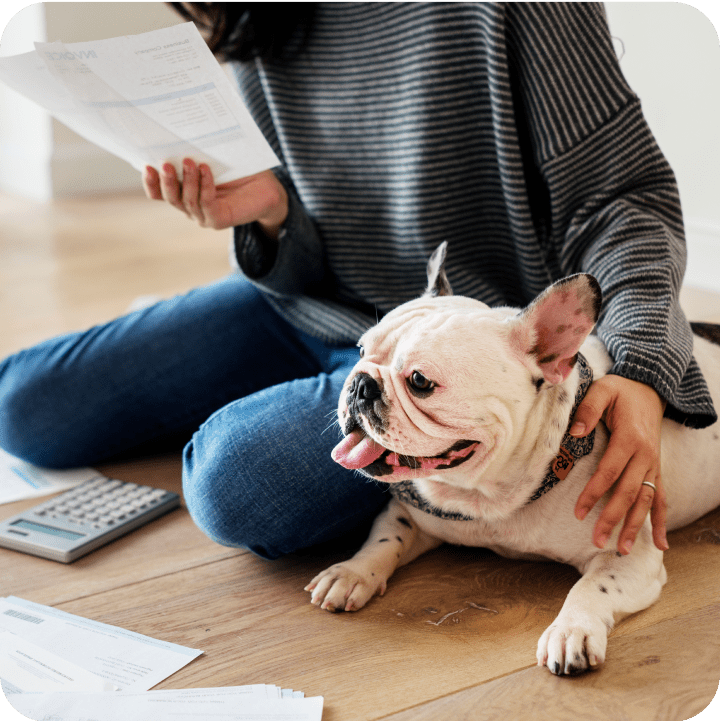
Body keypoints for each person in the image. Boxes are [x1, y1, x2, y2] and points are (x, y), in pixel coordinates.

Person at [0, 2, 715, 562]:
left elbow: (626, 199)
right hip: (307, 305)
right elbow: (300, 229)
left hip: (459, 353)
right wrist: (272, 215)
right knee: (21, 405)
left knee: (231, 484)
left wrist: (643, 364)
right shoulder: (255, 10)